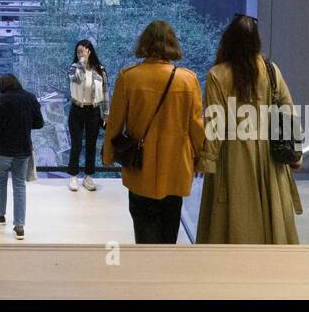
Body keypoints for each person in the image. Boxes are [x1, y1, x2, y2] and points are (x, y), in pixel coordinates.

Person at [196, 14, 302, 244]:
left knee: (235, 219)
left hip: (233, 157)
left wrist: (208, 160)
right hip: (270, 158)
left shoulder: (218, 75)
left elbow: (215, 124)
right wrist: (296, 155)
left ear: (228, 40)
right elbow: (289, 111)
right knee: (271, 218)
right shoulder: (271, 70)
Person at [102, 20, 206, 243]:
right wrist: (201, 159)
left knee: (144, 232)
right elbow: (196, 126)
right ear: (172, 44)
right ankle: (165, 274)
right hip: (176, 169)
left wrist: (109, 155)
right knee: (169, 232)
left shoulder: (128, 77)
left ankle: (146, 274)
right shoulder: (188, 80)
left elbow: (115, 122)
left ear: (144, 43)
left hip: (141, 169)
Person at [0, 73, 44, 239]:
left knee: (0, 182)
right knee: (19, 186)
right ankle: (19, 226)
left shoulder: (1, 100)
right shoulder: (30, 98)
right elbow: (39, 123)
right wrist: (24, 124)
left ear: (3, 86)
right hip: (22, 149)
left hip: (3, 149)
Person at [67, 39, 109, 191]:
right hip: (77, 109)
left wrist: (105, 114)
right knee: (76, 144)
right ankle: (73, 176)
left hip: (94, 111)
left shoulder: (100, 70)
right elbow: (76, 80)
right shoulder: (73, 68)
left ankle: (89, 176)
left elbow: (104, 93)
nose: (80, 54)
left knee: (91, 145)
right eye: (78, 52)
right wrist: (82, 62)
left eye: (83, 52)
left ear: (90, 51)